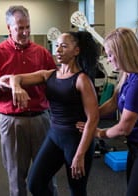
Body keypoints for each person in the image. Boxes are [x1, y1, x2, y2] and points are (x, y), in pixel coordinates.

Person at [77, 27, 138, 196]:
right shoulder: (127, 75)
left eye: (111, 54)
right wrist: (92, 115)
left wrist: (97, 133)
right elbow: (113, 103)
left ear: (123, 54)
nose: (108, 59)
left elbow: (123, 128)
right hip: (136, 147)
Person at [0, 5, 57, 196]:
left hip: (41, 119)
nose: (25, 32)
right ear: (9, 28)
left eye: (27, 27)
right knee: (16, 178)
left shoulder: (42, 53)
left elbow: (54, 84)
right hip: (12, 122)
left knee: (46, 174)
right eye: (19, 28)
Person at [10, 31, 100, 196]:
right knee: (35, 183)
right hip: (55, 136)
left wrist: (80, 155)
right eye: (57, 45)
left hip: (76, 140)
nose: (58, 50)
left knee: (77, 190)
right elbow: (16, 78)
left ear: (76, 51)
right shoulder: (49, 74)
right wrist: (16, 87)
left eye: (64, 46)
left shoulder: (82, 80)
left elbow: (93, 119)